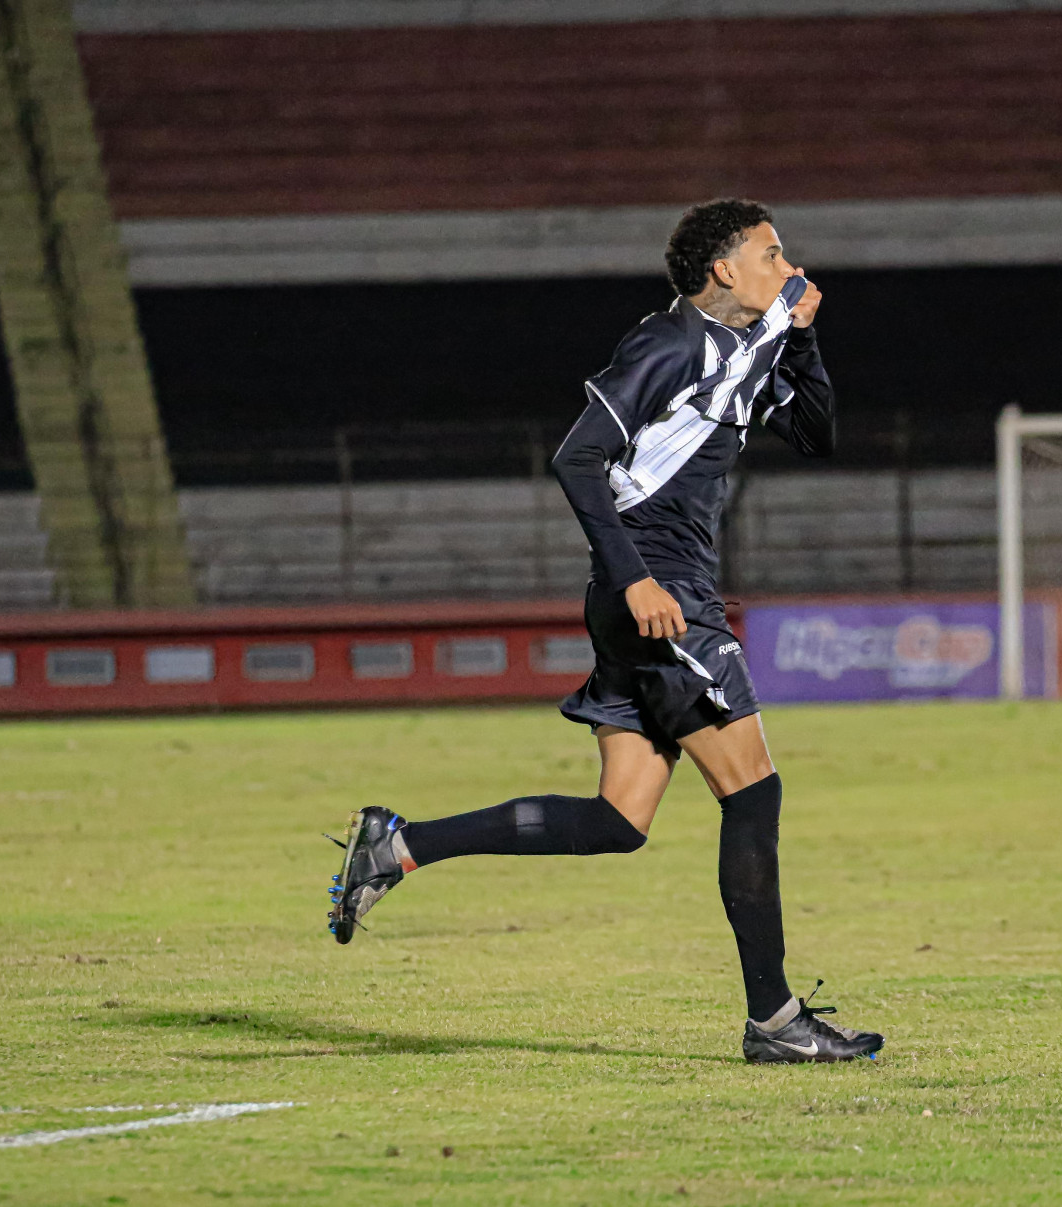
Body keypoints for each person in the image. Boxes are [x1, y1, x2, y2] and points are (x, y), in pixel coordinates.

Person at [323, 199, 885, 1065]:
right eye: (771, 253)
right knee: (754, 789)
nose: (789, 264)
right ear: (725, 270)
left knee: (620, 819)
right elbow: (576, 457)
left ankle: (395, 848)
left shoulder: (743, 351)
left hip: (659, 591)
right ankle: (774, 1020)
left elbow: (817, 433)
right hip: (660, 592)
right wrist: (638, 579)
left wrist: (800, 337)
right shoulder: (668, 345)